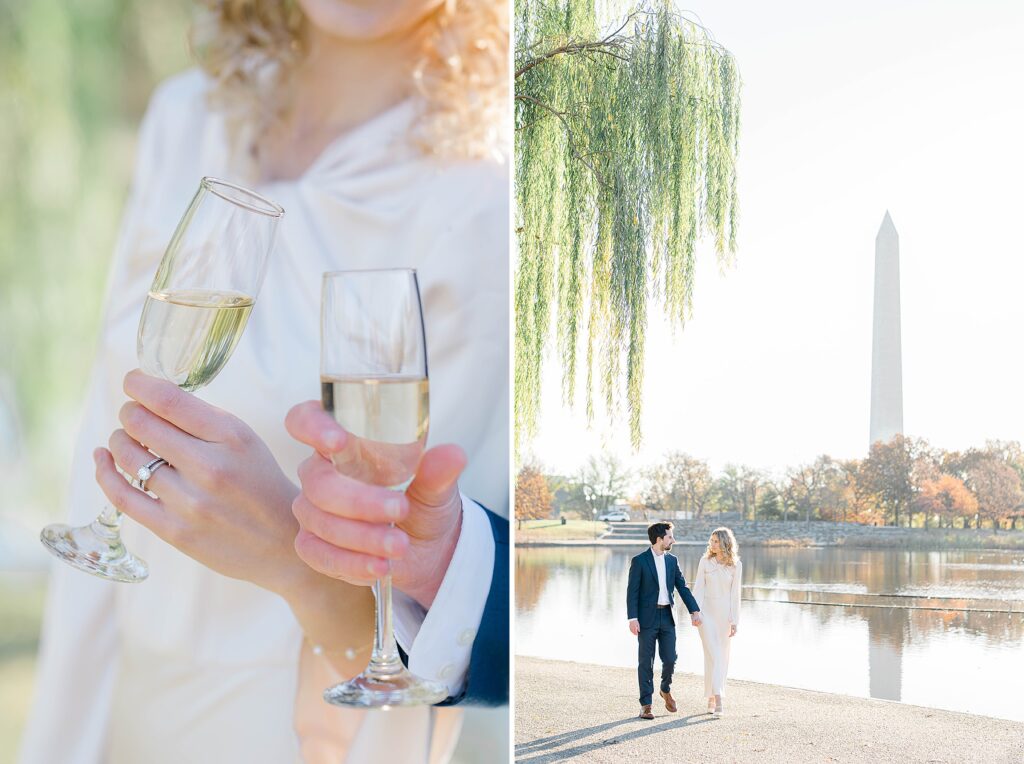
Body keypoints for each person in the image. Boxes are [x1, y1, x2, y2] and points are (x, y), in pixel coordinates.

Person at [20, 0, 508, 762]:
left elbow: (435, 618)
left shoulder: (481, 197)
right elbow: (99, 448)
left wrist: (291, 554)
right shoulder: (186, 117)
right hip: (130, 716)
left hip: (286, 732)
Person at [625, 521, 701, 720]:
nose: (673, 540)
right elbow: (632, 592)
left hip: (668, 617)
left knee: (670, 659)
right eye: (670, 537)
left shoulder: (672, 560)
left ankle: (665, 689)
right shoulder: (640, 561)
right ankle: (646, 705)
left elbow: (682, 587)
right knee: (645, 662)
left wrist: (694, 610)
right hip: (646, 619)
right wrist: (632, 618)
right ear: (659, 539)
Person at [691, 527, 742, 716]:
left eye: (715, 541)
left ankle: (712, 696)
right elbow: (698, 589)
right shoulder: (705, 562)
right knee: (713, 654)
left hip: (724, 616)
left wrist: (735, 620)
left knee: (721, 655)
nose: (711, 544)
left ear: (724, 543)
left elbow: (735, 595)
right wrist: (695, 613)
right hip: (706, 615)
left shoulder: (736, 565)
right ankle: (718, 696)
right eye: (711, 541)